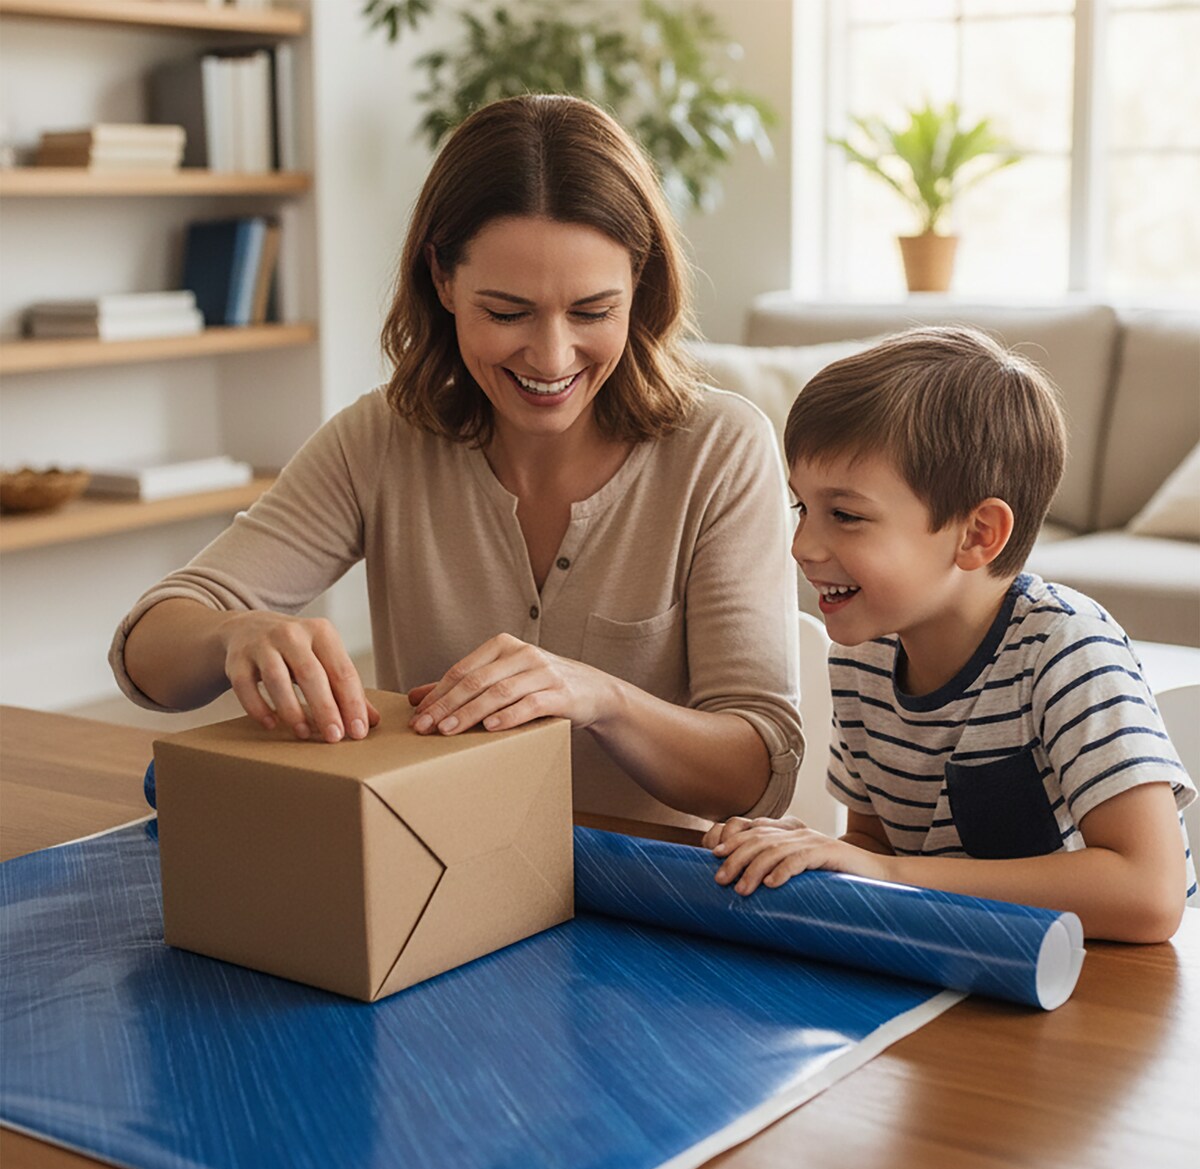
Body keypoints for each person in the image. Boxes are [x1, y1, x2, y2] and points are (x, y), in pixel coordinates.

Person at [111, 94, 803, 831]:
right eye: (507, 313)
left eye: (593, 311)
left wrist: (598, 699)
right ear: (442, 279)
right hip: (437, 878)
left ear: (641, 283)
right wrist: (233, 636)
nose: (551, 356)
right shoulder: (381, 440)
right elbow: (147, 657)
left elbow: (758, 771)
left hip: (648, 895)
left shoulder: (721, 450)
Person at [704, 326, 1195, 941]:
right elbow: (874, 844)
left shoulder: (1068, 650)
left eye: (846, 516)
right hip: (959, 958)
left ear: (977, 535)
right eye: (802, 507)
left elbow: (1150, 894)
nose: (801, 545)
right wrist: (819, 857)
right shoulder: (864, 657)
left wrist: (886, 870)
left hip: (1104, 984)